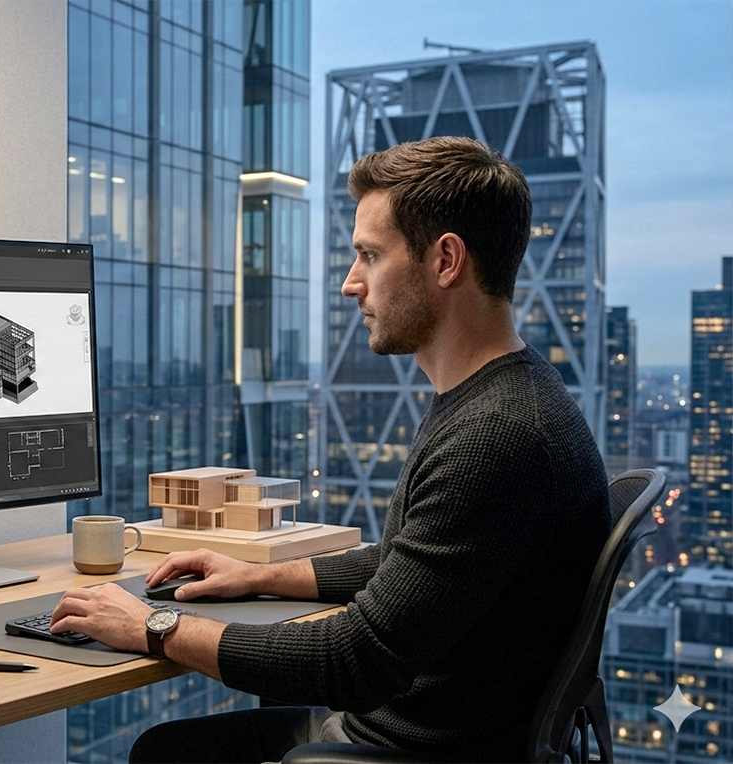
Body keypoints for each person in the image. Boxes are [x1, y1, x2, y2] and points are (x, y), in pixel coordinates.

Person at [50, 135, 610, 763]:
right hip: (412, 729)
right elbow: (410, 567)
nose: (350, 284)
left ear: (446, 260)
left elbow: (358, 660)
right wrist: (258, 577)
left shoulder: (498, 434)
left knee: (165, 753)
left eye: (370, 256)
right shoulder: (505, 397)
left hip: (404, 749)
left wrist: (153, 626)